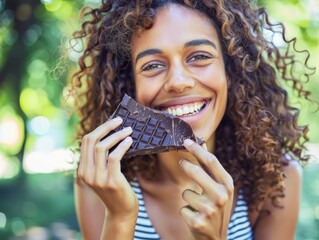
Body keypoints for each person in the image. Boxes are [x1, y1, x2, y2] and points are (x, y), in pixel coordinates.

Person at [70, 0, 315, 239]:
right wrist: (120, 218)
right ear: (131, 85)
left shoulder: (275, 178)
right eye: (153, 65)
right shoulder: (101, 180)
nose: (178, 82)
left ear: (230, 72)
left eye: (199, 56)